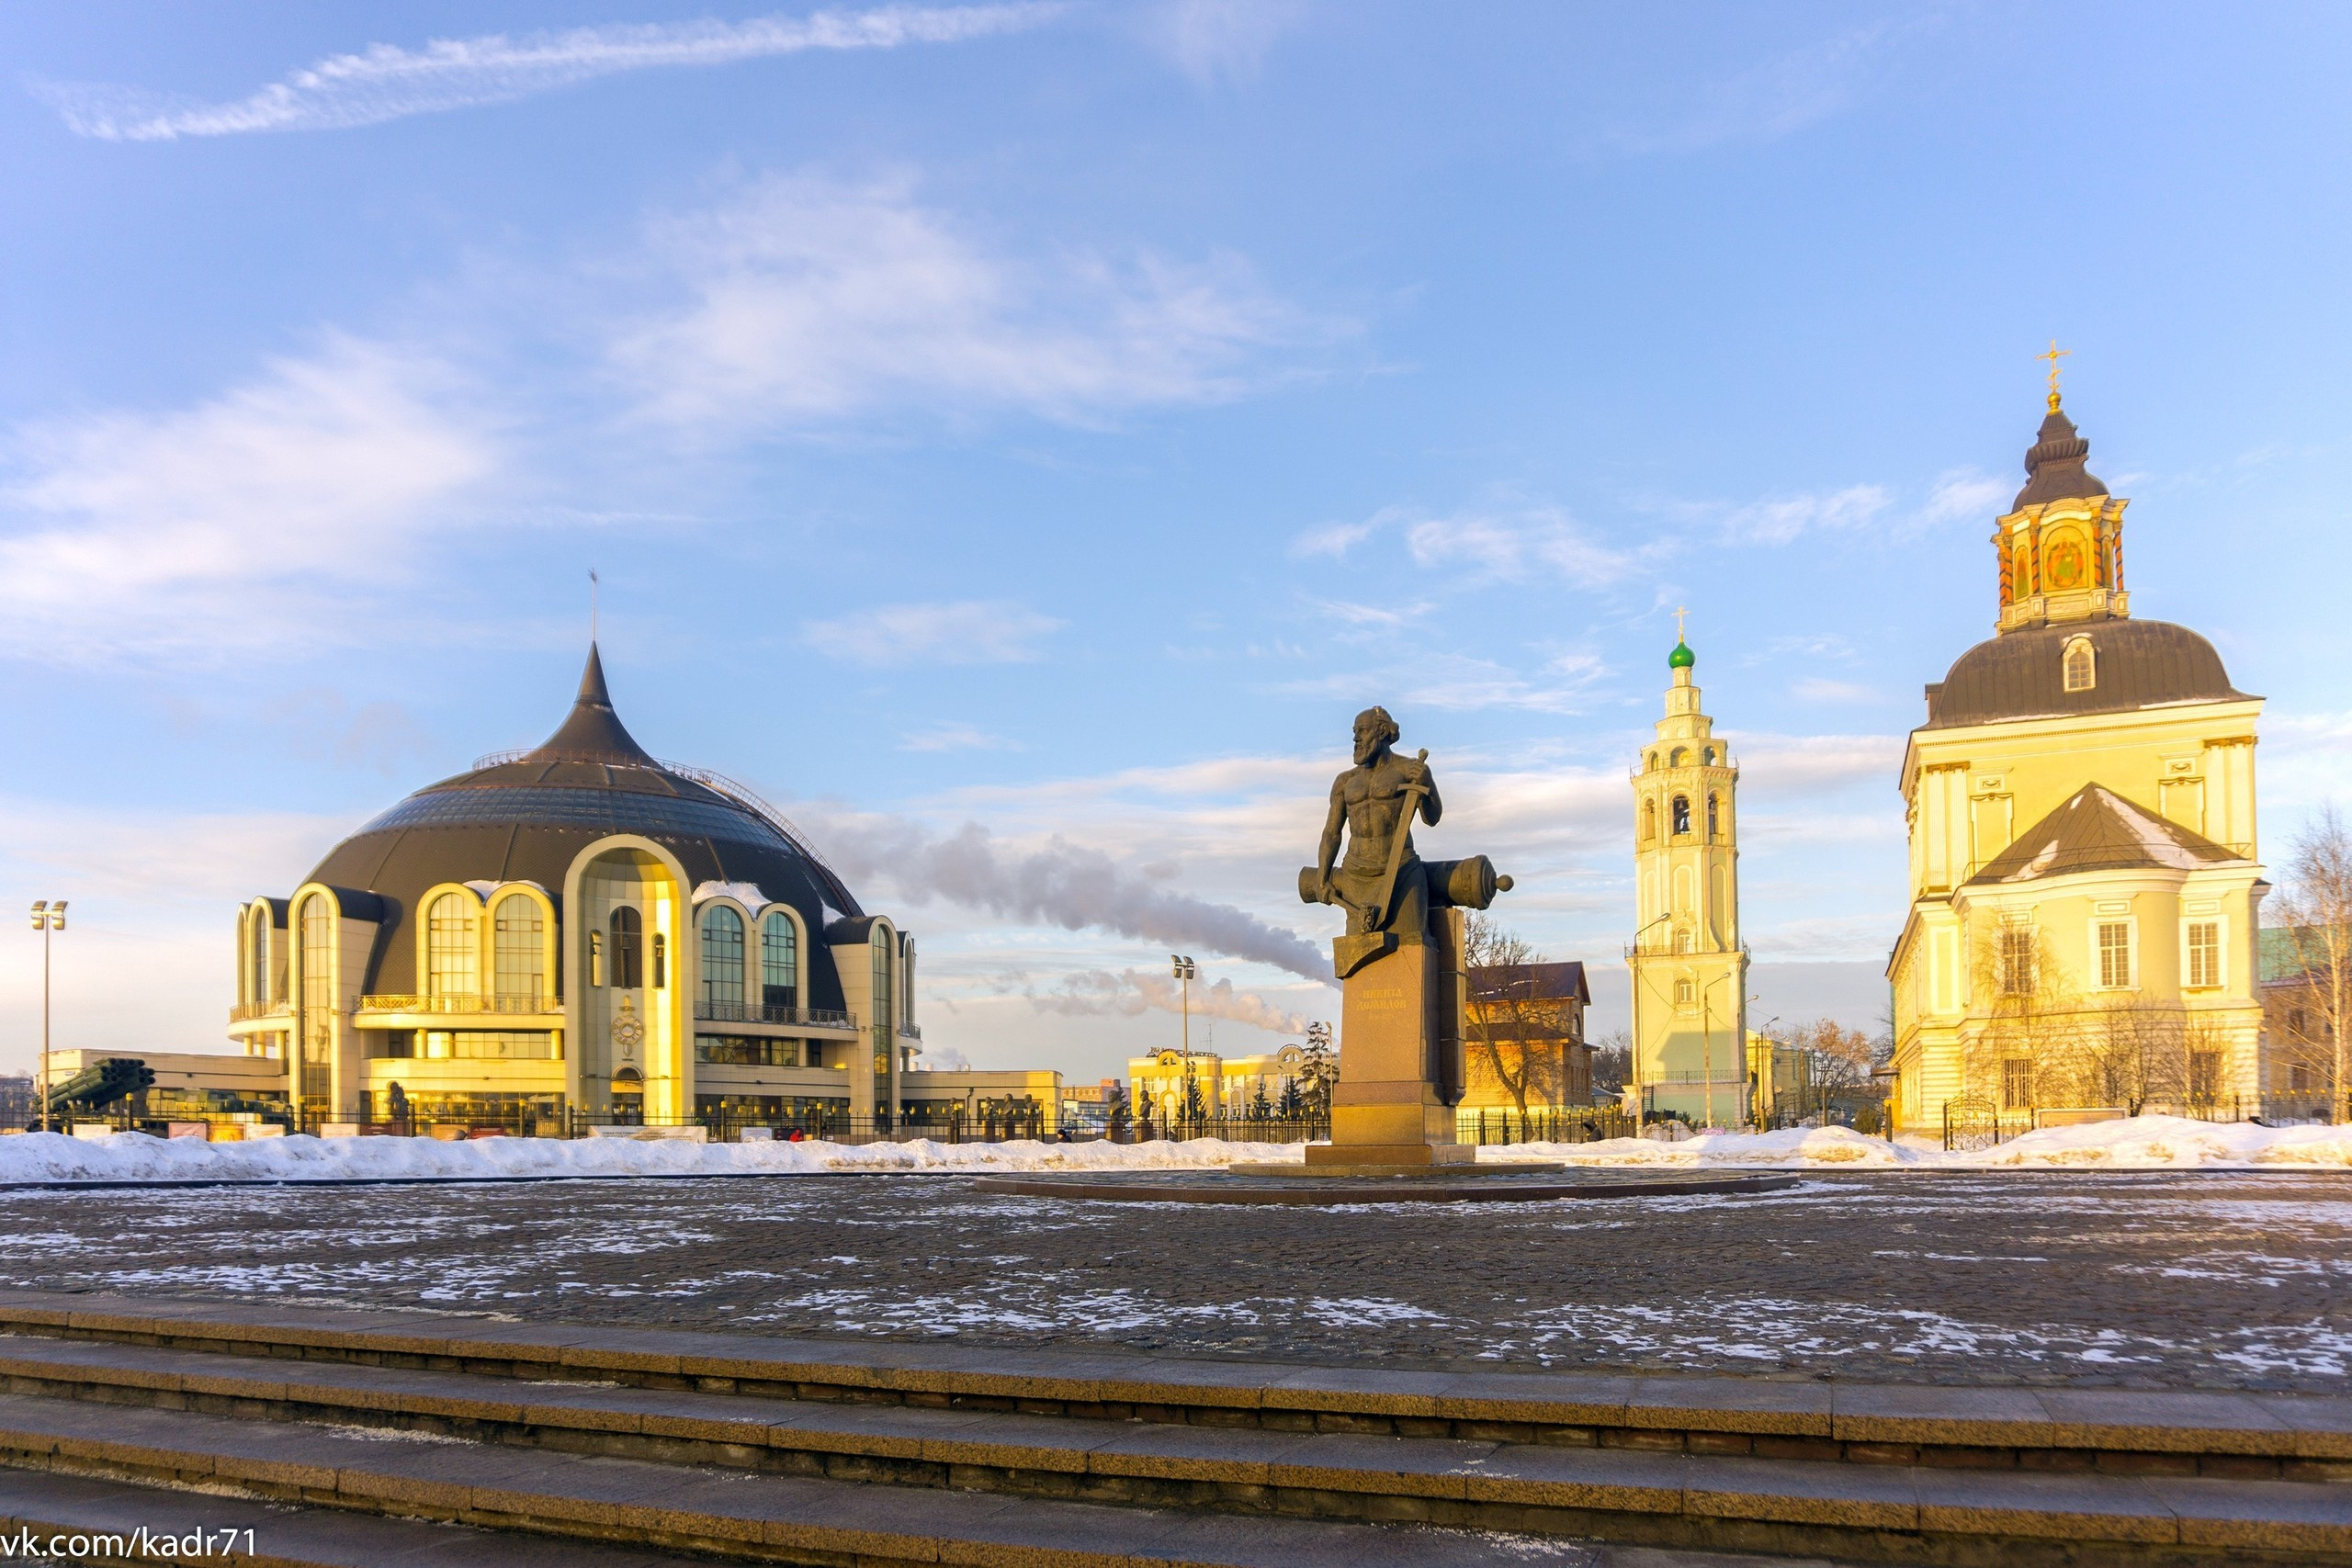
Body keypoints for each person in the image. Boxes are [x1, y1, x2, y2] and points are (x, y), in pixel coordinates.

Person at [1313, 706, 1442, 944]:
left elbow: (1432, 818)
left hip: (1400, 871)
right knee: (1358, 951)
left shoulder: (1409, 770)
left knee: (1411, 945)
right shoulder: (1345, 781)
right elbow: (1331, 833)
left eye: (1362, 731)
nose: (1356, 739)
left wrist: (1428, 784)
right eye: (1354, 732)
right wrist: (1322, 877)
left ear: (1382, 732)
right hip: (1356, 877)